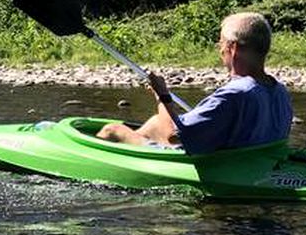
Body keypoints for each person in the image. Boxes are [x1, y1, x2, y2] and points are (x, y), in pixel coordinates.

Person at [96, 12, 293, 154]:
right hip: (254, 159)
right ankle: (134, 153)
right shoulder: (279, 90)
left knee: (112, 129)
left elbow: (173, 135)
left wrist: (162, 96)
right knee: (155, 123)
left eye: (221, 44)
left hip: (224, 166)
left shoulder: (234, 93)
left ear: (232, 48)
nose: (220, 50)